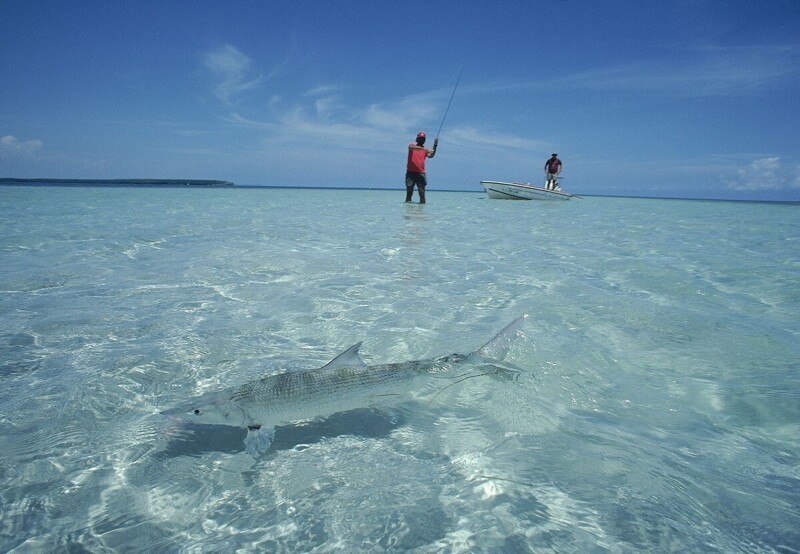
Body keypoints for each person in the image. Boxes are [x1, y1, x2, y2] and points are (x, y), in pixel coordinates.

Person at [405, 131, 437, 203]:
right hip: (410, 173)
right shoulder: (412, 145)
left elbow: (431, 156)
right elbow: (411, 147)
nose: (421, 140)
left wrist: (435, 147)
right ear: (417, 139)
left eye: (423, 139)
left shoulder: (425, 150)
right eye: (420, 138)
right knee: (409, 193)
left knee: (422, 193)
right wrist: (424, 149)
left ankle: (421, 212)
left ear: (424, 140)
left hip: (421, 174)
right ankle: (408, 211)